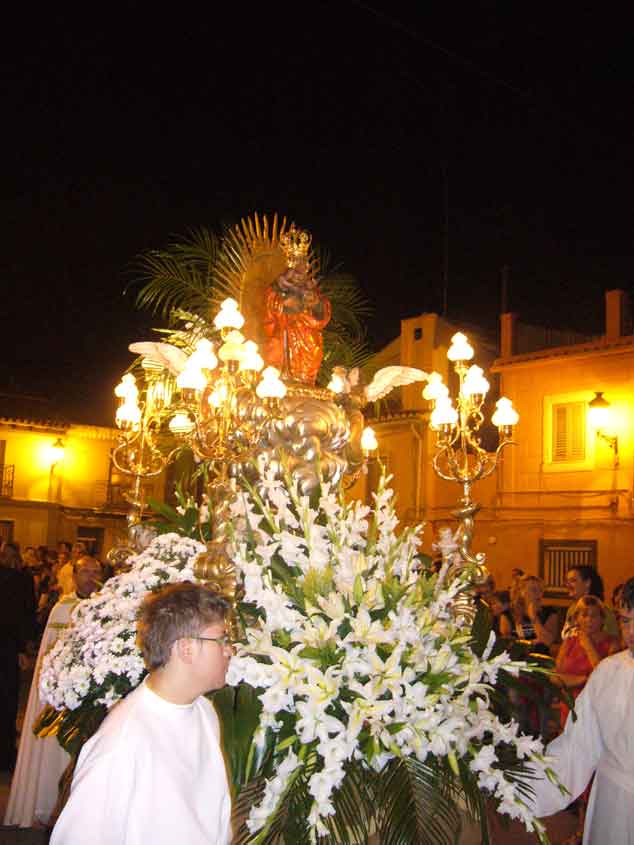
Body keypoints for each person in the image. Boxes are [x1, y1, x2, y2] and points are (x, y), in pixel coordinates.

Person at [50, 582, 233, 845]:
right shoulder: (121, 742)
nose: (230, 650)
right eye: (222, 640)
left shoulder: (204, 711)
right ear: (186, 648)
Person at [531, 576, 634, 844]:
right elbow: (578, 742)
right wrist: (525, 785)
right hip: (611, 800)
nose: (631, 632)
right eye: (625, 620)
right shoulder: (609, 670)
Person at [4, 556, 105, 827]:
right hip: (67, 692)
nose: (91, 576)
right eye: (85, 571)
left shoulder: (108, 607)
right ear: (74, 575)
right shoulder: (63, 608)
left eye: (96, 571)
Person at [555, 595, 620, 726]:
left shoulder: (613, 644)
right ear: (577, 619)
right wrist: (583, 680)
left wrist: (588, 645)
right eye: (584, 615)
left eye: (594, 615)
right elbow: (555, 678)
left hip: (597, 707)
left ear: (602, 619)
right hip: (569, 704)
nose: (589, 619)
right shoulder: (569, 642)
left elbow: (604, 677)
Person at [561, 565, 618, 640]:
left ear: (587, 583)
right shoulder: (572, 609)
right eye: (566, 581)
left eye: (573, 580)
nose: (567, 585)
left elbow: (612, 642)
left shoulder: (603, 610)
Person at [512, 575, 559, 654]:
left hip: (541, 659)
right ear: (522, 592)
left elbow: (547, 641)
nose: (539, 594)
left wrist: (533, 616)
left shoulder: (550, 612)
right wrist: (534, 641)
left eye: (541, 590)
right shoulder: (513, 613)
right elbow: (512, 643)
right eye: (533, 590)